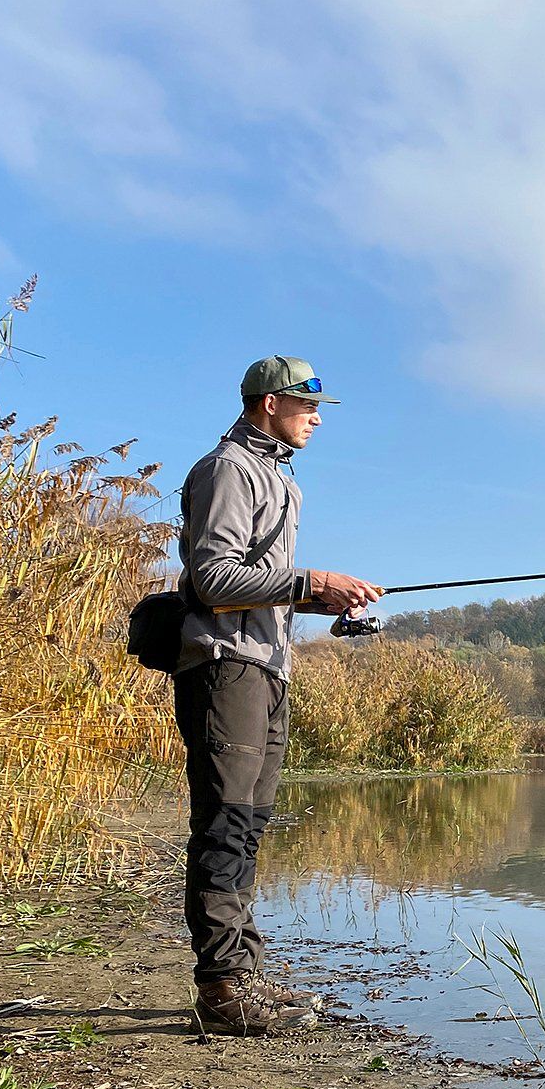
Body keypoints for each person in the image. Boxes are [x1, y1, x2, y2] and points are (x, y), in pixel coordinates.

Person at [175, 356, 382, 1035]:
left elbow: (256, 586)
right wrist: (308, 580)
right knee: (226, 823)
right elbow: (212, 580)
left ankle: (244, 977)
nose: (318, 419)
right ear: (269, 404)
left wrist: (325, 600)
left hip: (267, 667)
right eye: (307, 407)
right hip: (226, 667)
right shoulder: (230, 469)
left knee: (250, 824)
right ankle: (223, 990)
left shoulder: (278, 480)